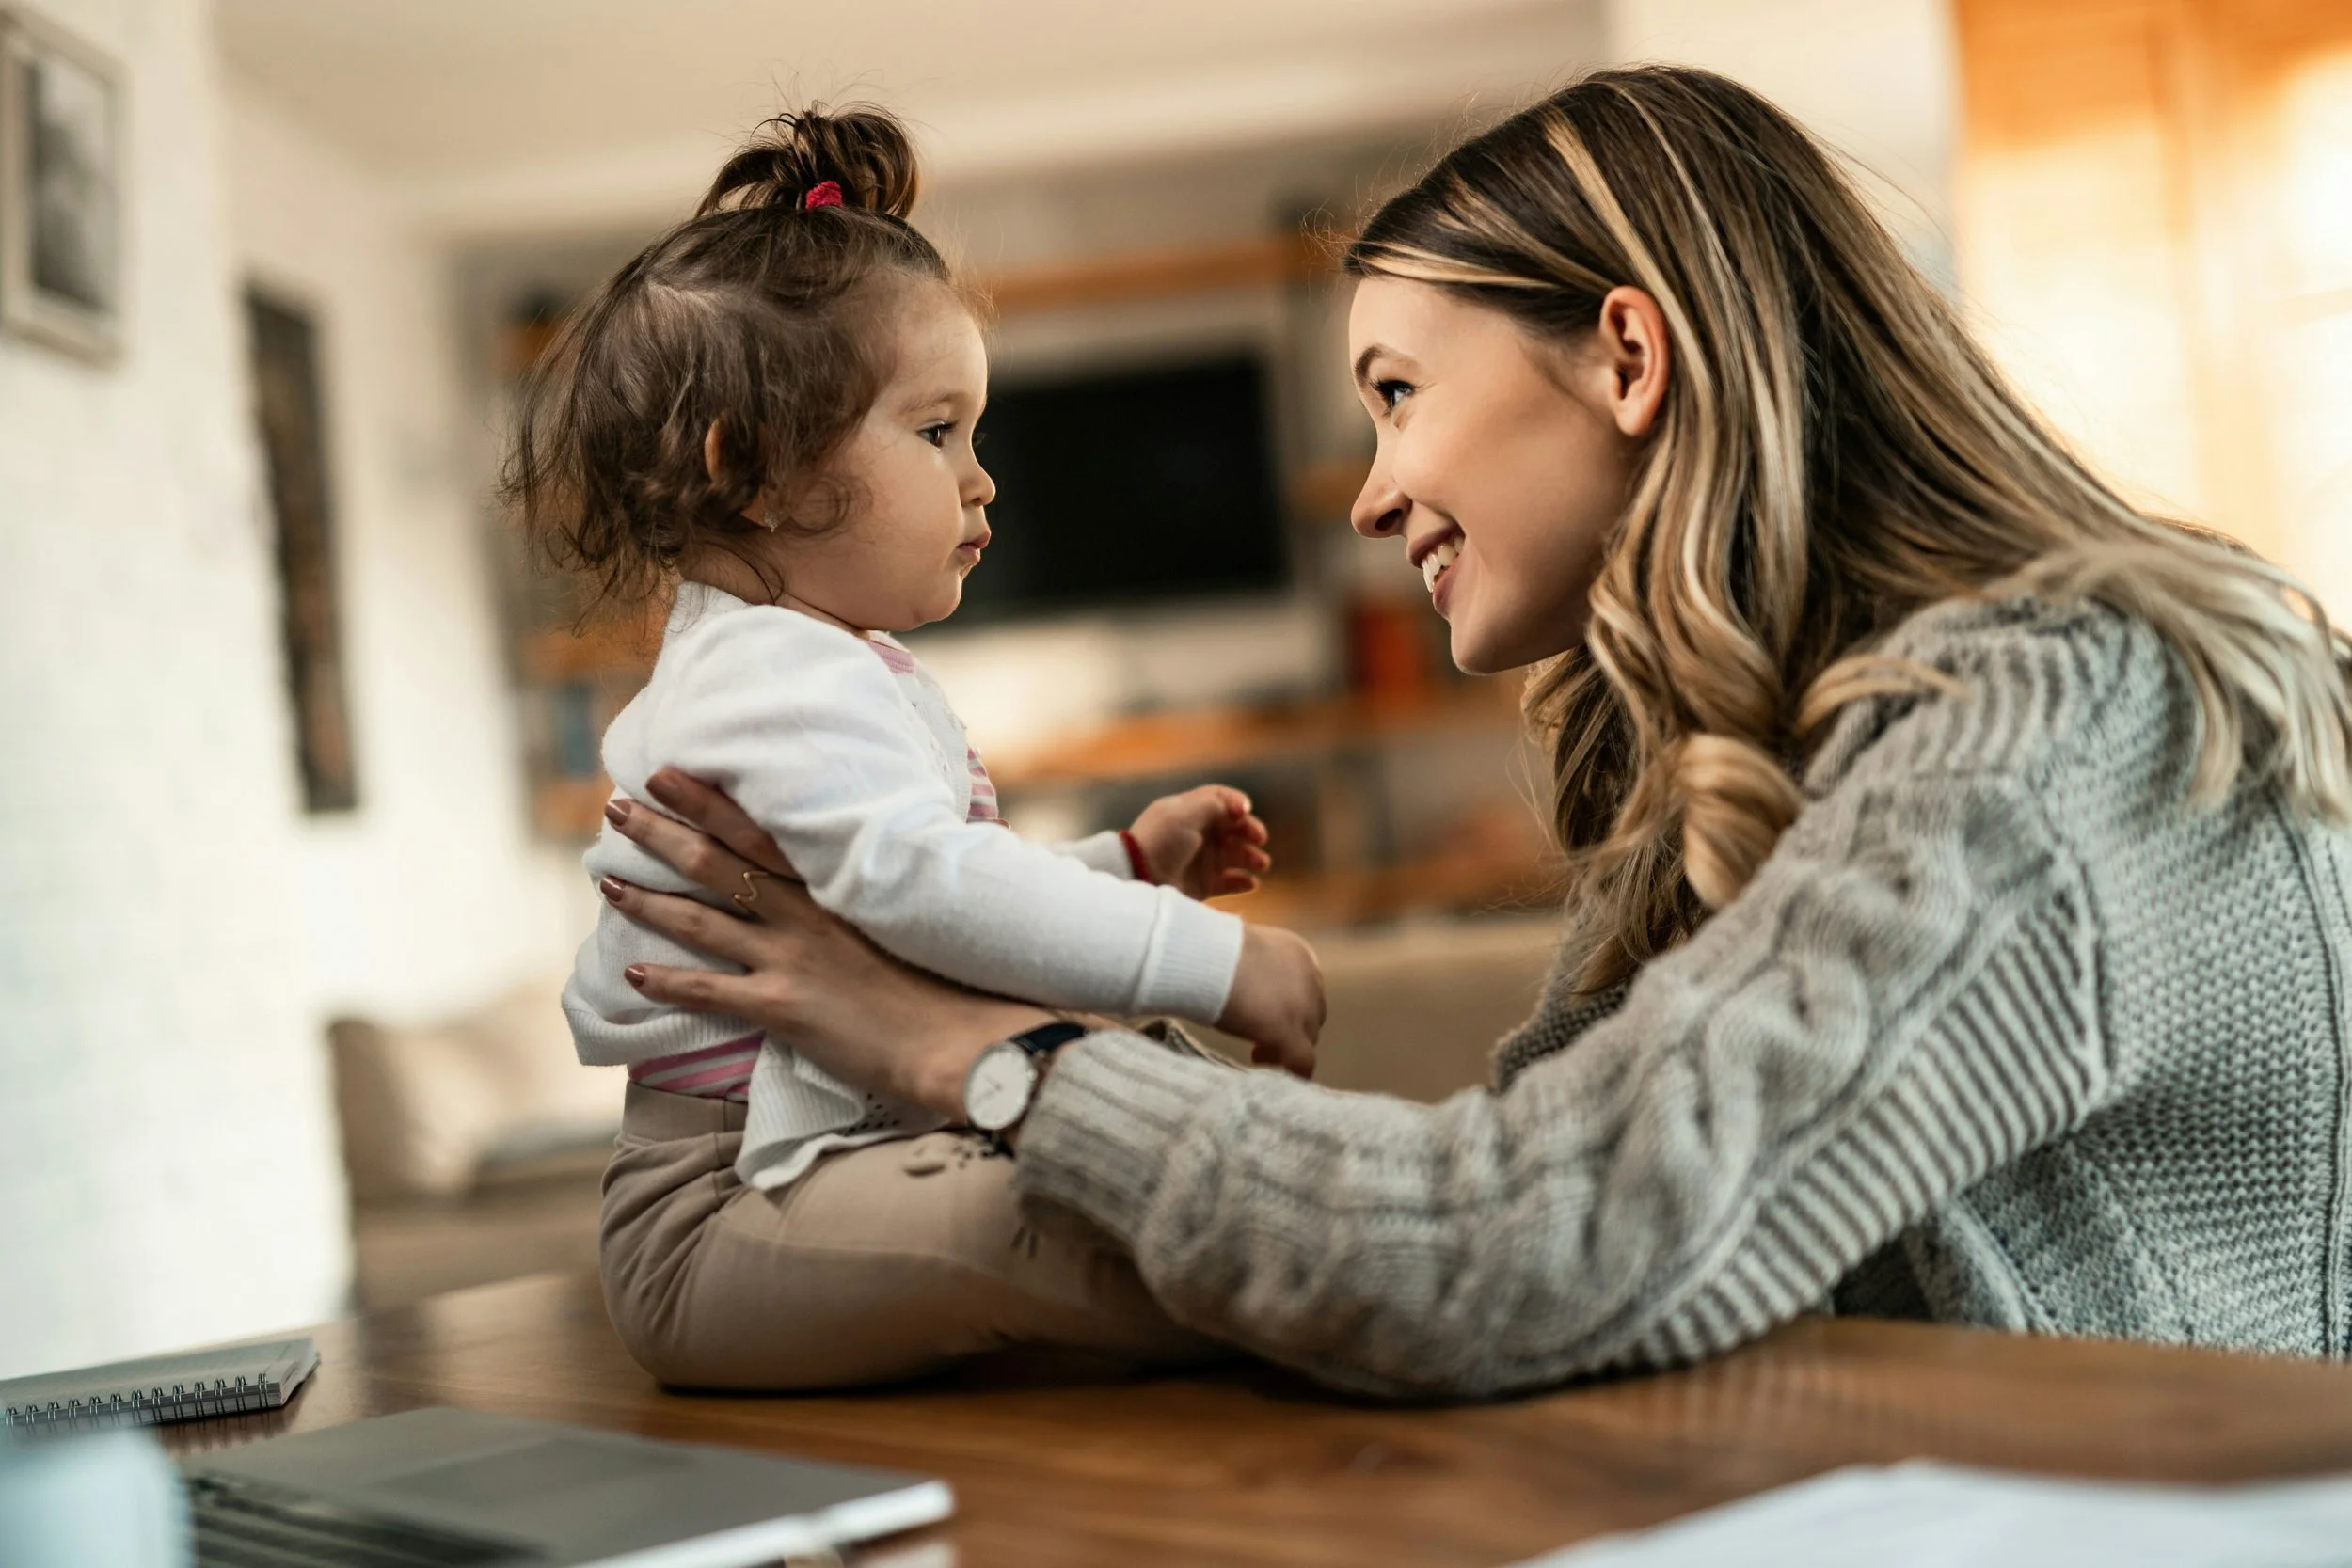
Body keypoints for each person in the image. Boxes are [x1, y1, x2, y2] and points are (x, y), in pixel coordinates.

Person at [596, 65, 2352, 1399]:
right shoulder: (1750, 758)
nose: (1366, 498)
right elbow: (1500, 1182)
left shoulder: (2046, 722)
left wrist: (956, 1048)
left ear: (1628, 359)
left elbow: (1529, 1245)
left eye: (1397, 394)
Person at [504, 105, 1325, 1389]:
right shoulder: (762, 672)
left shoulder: (822, 661)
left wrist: (1115, 865)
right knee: (1076, 1219)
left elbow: (911, 885)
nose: (983, 478)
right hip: (723, 1208)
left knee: (1144, 1130)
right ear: (757, 472)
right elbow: (921, 891)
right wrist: (1206, 959)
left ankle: (1312, 1253)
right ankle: (1337, 1291)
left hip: (822, 1155)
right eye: (939, 432)